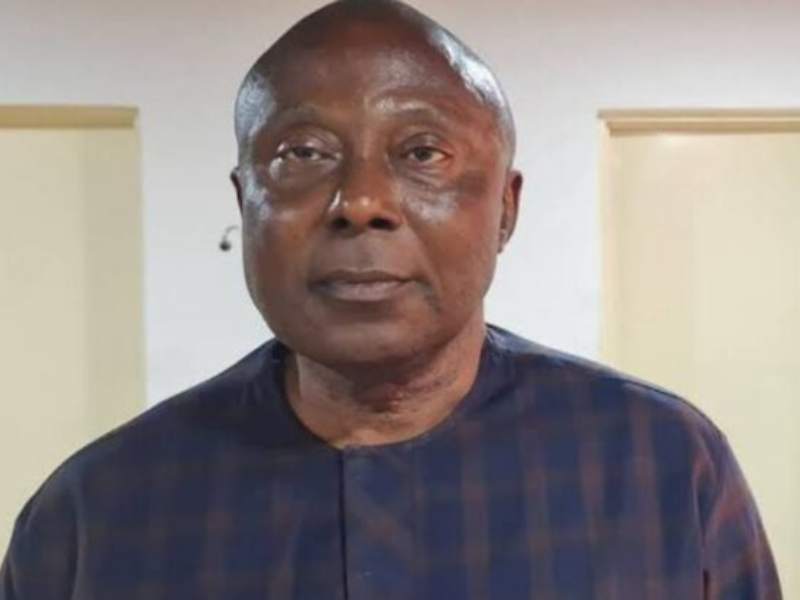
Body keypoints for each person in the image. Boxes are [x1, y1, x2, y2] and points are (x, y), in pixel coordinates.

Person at [1, 0, 781, 598]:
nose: (362, 201)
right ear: (245, 203)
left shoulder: (661, 468)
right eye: (304, 153)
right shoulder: (94, 515)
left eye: (422, 152)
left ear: (505, 210)